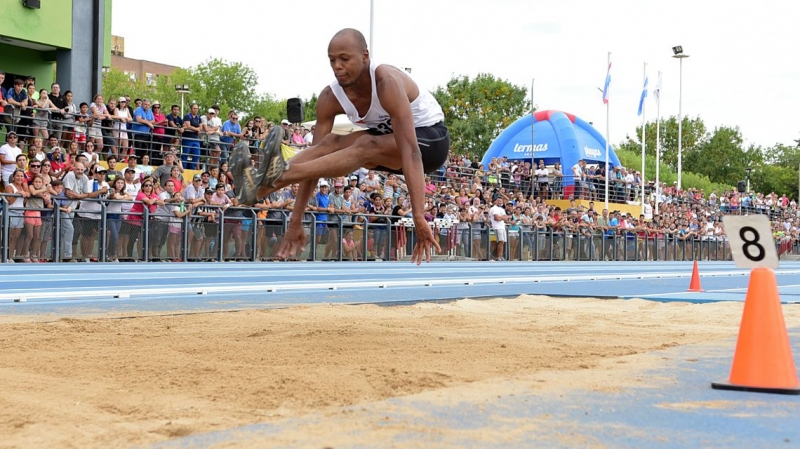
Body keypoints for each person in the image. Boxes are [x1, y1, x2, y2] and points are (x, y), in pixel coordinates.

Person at [229, 28, 450, 264]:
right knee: (332, 142)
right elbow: (315, 165)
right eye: (332, 60)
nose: (337, 66)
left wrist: (419, 214)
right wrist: (296, 220)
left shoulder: (387, 81)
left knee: (366, 143)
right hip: (386, 143)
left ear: (365, 56)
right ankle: (259, 187)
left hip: (429, 143)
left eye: (345, 59)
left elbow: (412, 152)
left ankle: (272, 178)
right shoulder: (329, 97)